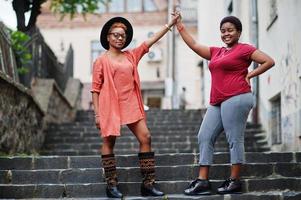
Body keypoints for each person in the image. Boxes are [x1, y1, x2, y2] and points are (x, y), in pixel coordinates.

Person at [173, 13, 275, 195]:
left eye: (230, 30)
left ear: (238, 32)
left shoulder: (245, 49)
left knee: (234, 139)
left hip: (237, 97)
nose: (226, 33)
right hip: (217, 101)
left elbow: (269, 61)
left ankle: (234, 180)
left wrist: (249, 75)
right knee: (204, 136)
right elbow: (195, 46)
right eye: (223, 31)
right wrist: (180, 25)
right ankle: (203, 181)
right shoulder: (216, 52)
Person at [91, 16, 179, 198]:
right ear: (108, 37)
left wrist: (169, 25)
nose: (119, 38)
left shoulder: (131, 55)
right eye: (115, 35)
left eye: (123, 36)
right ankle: (111, 185)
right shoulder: (101, 61)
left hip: (130, 104)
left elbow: (150, 41)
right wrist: (97, 114)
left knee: (145, 137)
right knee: (109, 142)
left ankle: (148, 184)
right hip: (110, 106)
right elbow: (95, 89)